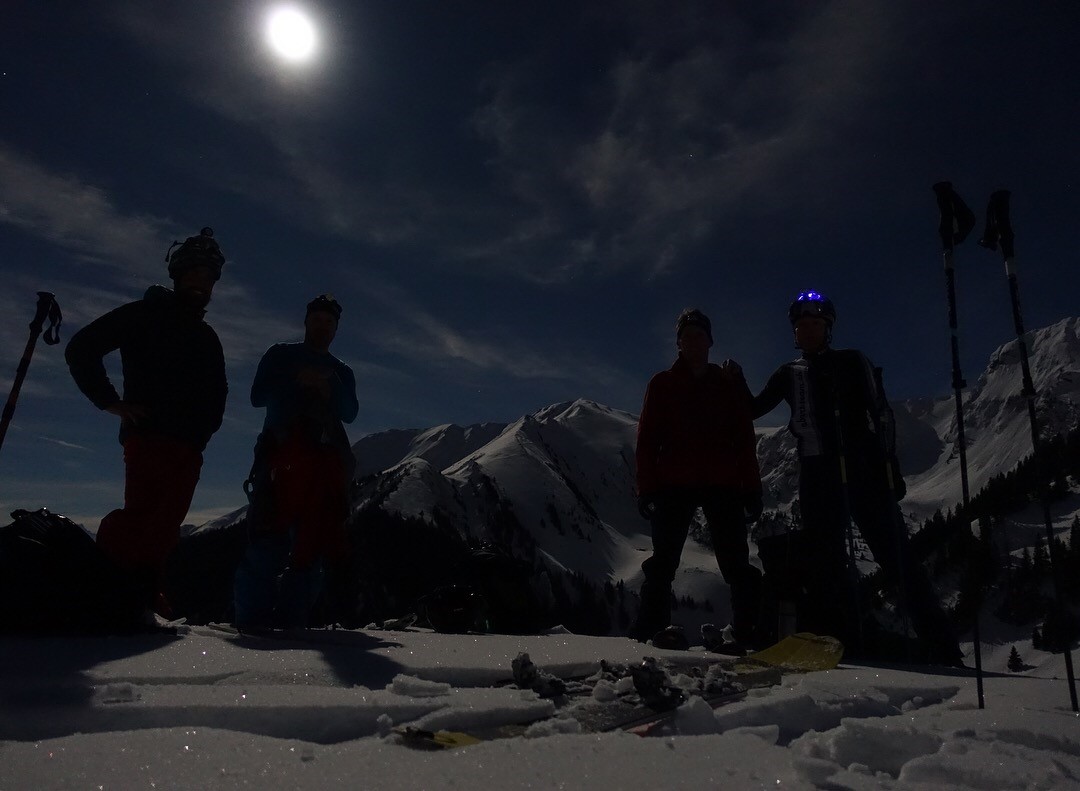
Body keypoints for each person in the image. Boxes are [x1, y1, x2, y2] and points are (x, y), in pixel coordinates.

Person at [749, 290, 962, 664]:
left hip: (864, 471)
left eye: (815, 324)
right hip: (816, 477)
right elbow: (751, 409)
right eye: (801, 325)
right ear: (794, 333)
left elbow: (880, 413)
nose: (807, 330)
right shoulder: (788, 374)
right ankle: (843, 639)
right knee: (826, 565)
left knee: (897, 560)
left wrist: (889, 467)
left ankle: (944, 649)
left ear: (827, 328)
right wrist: (733, 380)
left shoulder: (852, 361)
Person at [65, 227, 228, 619]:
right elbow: (81, 348)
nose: (202, 283)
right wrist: (109, 401)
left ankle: (143, 595)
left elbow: (218, 391)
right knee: (141, 520)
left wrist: (202, 434)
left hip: (188, 447)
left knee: (165, 526)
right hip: (150, 438)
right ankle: (109, 591)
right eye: (195, 273)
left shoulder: (206, 336)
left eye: (209, 277)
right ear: (178, 274)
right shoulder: (145, 315)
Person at [632, 308, 764, 648]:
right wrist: (646, 488)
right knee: (663, 563)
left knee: (735, 561)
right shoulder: (661, 384)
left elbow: (744, 438)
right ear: (678, 343)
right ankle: (650, 632)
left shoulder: (727, 383)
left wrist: (751, 487)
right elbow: (647, 440)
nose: (693, 341)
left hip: (721, 482)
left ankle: (748, 630)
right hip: (675, 484)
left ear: (710, 341)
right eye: (687, 336)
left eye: (699, 335)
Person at [233, 294, 359, 629]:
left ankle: (291, 621)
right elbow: (257, 396)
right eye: (317, 320)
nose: (323, 327)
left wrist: (329, 386)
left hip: (321, 463)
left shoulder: (341, 371)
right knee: (269, 538)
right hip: (280, 456)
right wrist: (297, 380)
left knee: (310, 544)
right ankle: (253, 621)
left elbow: (350, 412)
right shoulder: (281, 355)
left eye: (329, 322)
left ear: (336, 329)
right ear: (306, 322)